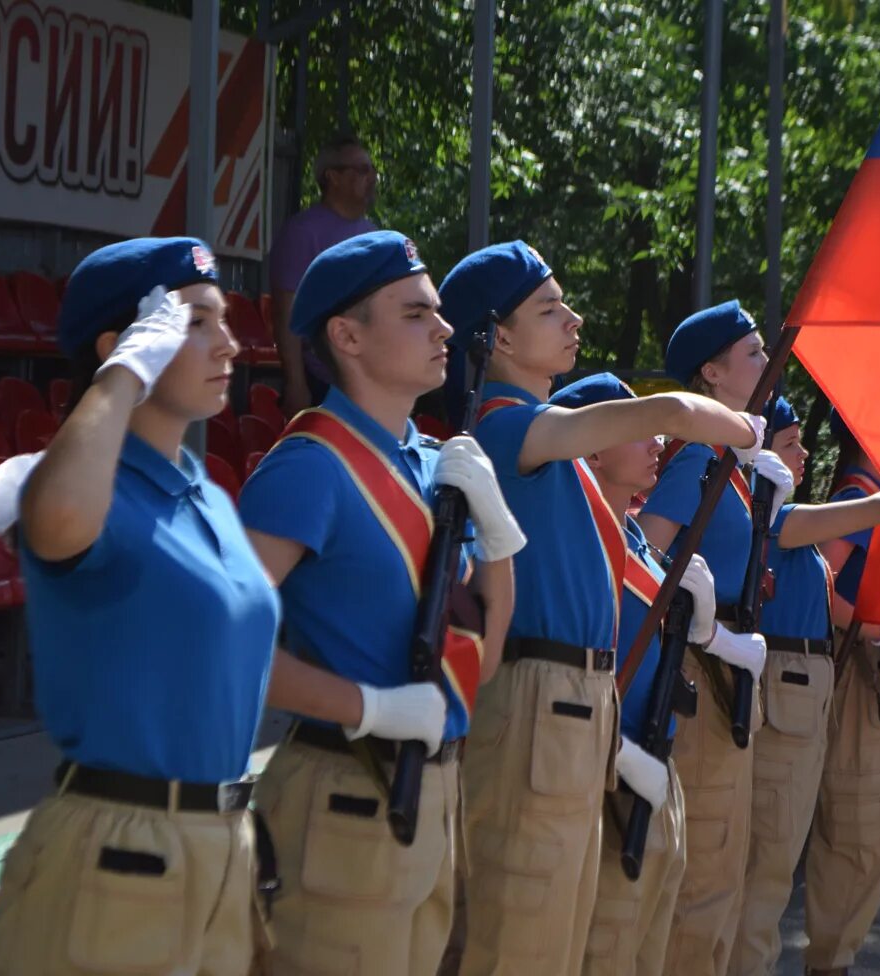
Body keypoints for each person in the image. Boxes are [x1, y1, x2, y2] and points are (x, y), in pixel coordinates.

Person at [436, 242, 763, 976]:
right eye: (549, 309)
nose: (573, 319)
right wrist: (742, 429)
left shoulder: (543, 438)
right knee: (520, 937)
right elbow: (672, 408)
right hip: (535, 702)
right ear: (499, 338)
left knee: (557, 937)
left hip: (575, 707)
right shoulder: (509, 428)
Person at [0, 237, 280, 976]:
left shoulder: (205, 492)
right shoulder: (73, 485)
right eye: (197, 323)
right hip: (119, 851)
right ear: (127, 344)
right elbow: (53, 523)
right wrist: (121, 376)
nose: (230, 345)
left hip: (221, 845)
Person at [238, 231, 521, 976]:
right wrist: (368, 705)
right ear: (347, 335)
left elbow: (481, 662)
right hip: (343, 785)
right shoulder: (309, 469)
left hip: (434, 791)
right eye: (415, 313)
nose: (445, 328)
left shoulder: (434, 465)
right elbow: (223, 646)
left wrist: (497, 537)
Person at [550, 373, 761, 976]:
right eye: (637, 430)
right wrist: (618, 754)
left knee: (653, 948)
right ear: (592, 448)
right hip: (607, 780)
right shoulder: (583, 544)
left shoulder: (639, 542)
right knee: (608, 948)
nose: (656, 444)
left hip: (658, 767)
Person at [633, 300, 789, 975]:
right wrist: (707, 627)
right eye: (753, 353)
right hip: (700, 671)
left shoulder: (735, 464)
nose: (765, 364)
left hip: (732, 671)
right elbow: (650, 558)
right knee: (700, 881)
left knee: (725, 872)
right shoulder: (697, 458)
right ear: (712, 373)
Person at [728, 399, 880, 976]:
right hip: (787, 685)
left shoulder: (781, 512)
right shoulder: (774, 515)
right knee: (765, 869)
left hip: (806, 683)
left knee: (774, 867)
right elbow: (832, 566)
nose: (803, 456)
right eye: (789, 444)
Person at [800, 411, 880, 976]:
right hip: (862, 675)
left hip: (876, 668)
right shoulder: (859, 494)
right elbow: (819, 584)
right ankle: (830, 963)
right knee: (857, 832)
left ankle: (835, 958)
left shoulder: (869, 494)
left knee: (869, 838)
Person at [269, 135, 380, 413]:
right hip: (321, 381)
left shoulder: (374, 234)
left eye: (372, 170)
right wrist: (295, 382)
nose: (372, 178)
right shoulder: (303, 232)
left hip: (368, 380)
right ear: (332, 177)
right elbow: (287, 312)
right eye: (362, 170)